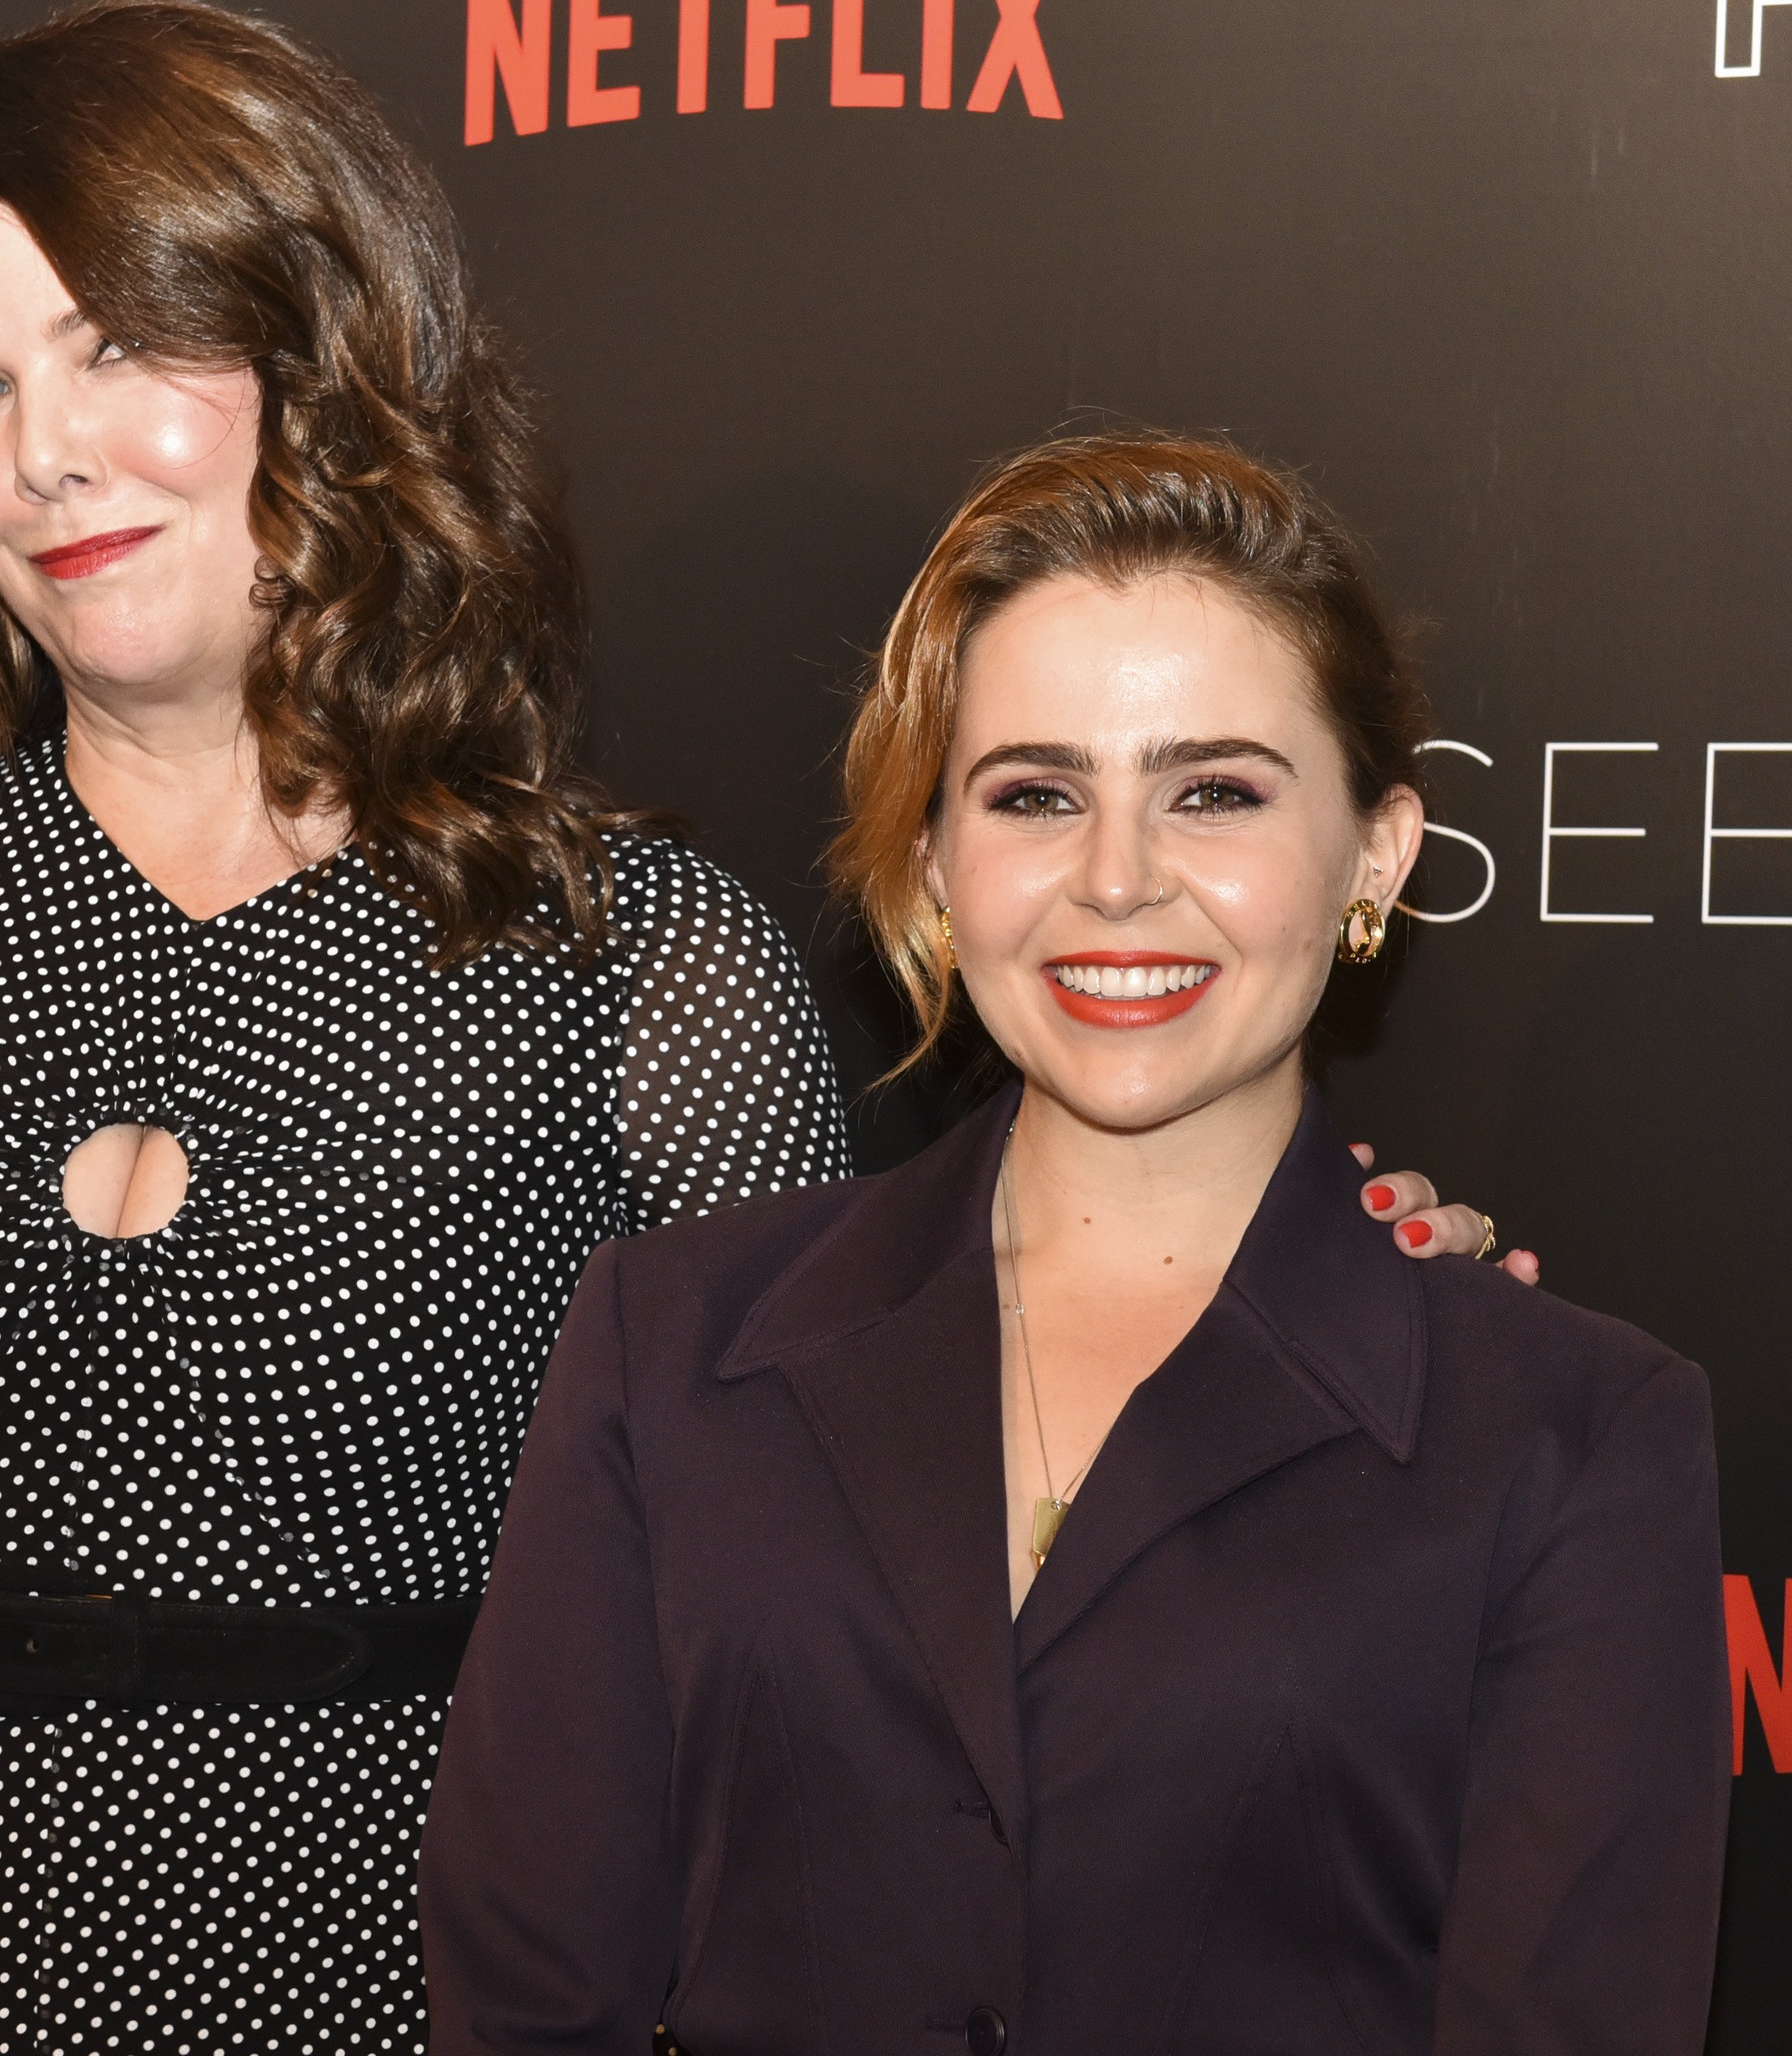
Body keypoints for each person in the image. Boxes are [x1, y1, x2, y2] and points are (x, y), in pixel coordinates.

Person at [0, 5, 857, 2049]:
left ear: (326, 355)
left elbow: (784, 1719)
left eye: (120, 346)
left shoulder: (635, 969)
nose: (40, 453)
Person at [419, 434, 1730, 2055]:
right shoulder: (671, 1340)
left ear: (1376, 855)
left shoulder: (1576, 1436)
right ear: (934, 863)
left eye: (1216, 793)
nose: (1117, 878)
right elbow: (531, 1999)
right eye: (1036, 794)